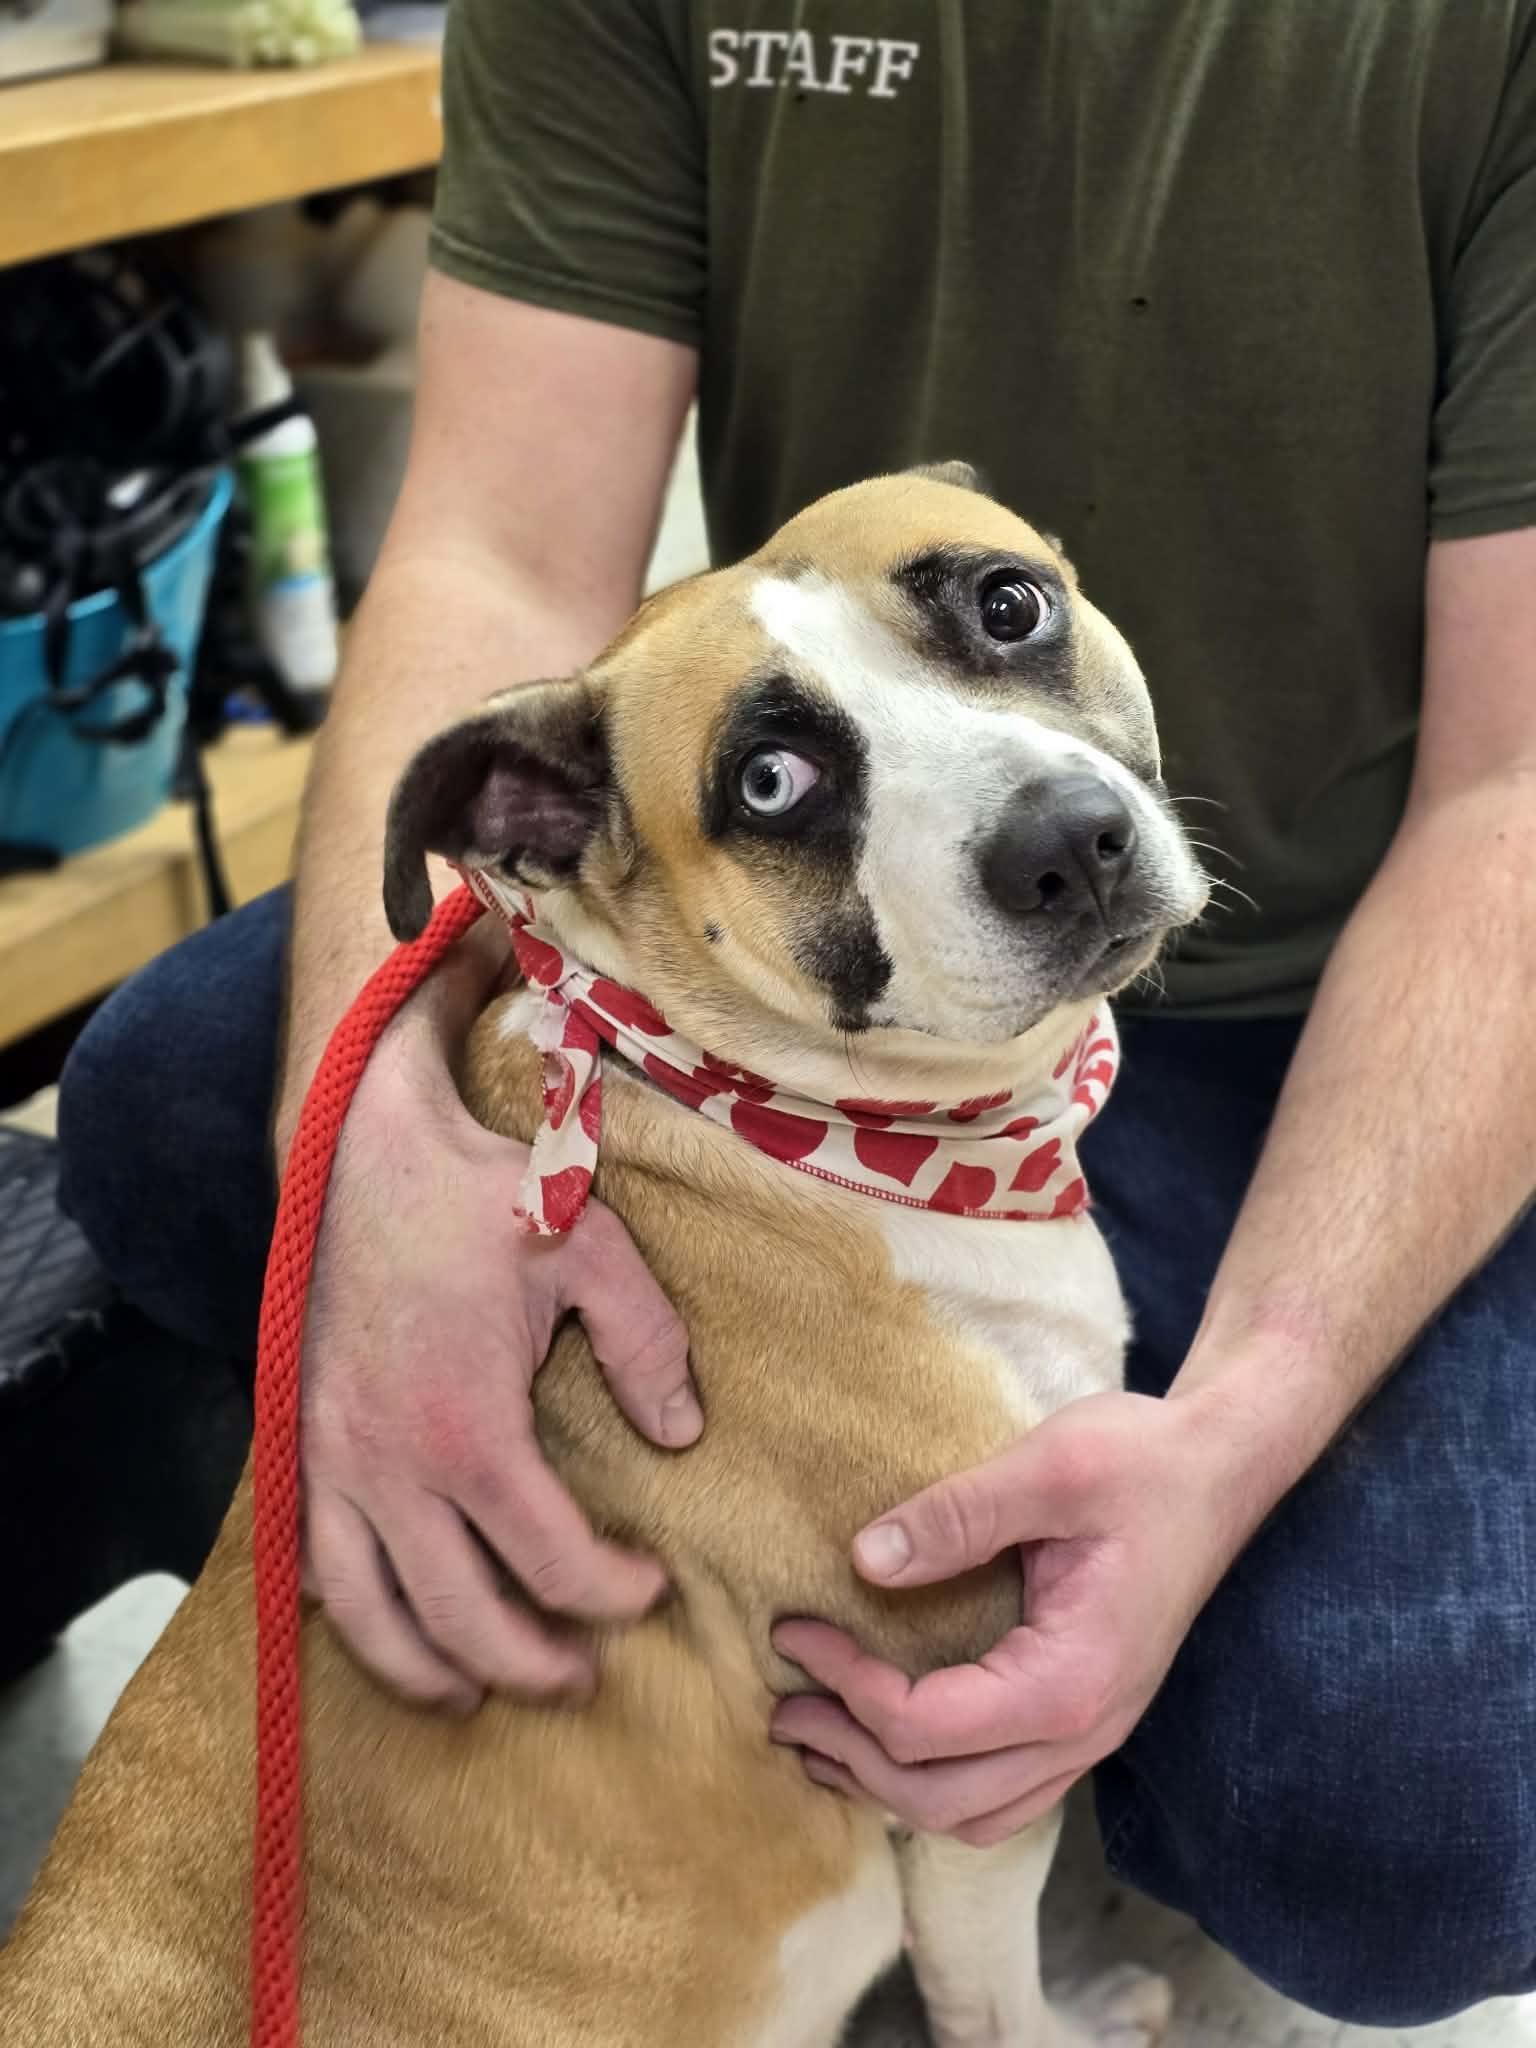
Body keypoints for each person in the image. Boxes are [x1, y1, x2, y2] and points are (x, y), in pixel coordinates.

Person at [57, 1, 1536, 2024]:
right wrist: (382, 1152)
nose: (1039, 814)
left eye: (1006, 625)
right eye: (783, 776)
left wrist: (1244, 1428)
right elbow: (493, 541)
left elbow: (1516, 787)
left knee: (1405, 1816)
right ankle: (570, 1615)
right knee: (165, 1094)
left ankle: (967, 1642)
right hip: (785, 1022)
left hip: (1357, 983)